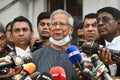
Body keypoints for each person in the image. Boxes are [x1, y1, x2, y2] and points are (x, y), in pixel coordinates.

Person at [33, 9, 79, 80]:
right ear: (50, 28)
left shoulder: (79, 55)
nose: (57, 28)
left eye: (62, 24)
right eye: (54, 24)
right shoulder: (36, 56)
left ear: (71, 29)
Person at [97, 7, 120, 76]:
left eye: (105, 20)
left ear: (118, 23)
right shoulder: (95, 47)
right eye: (98, 21)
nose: (100, 23)